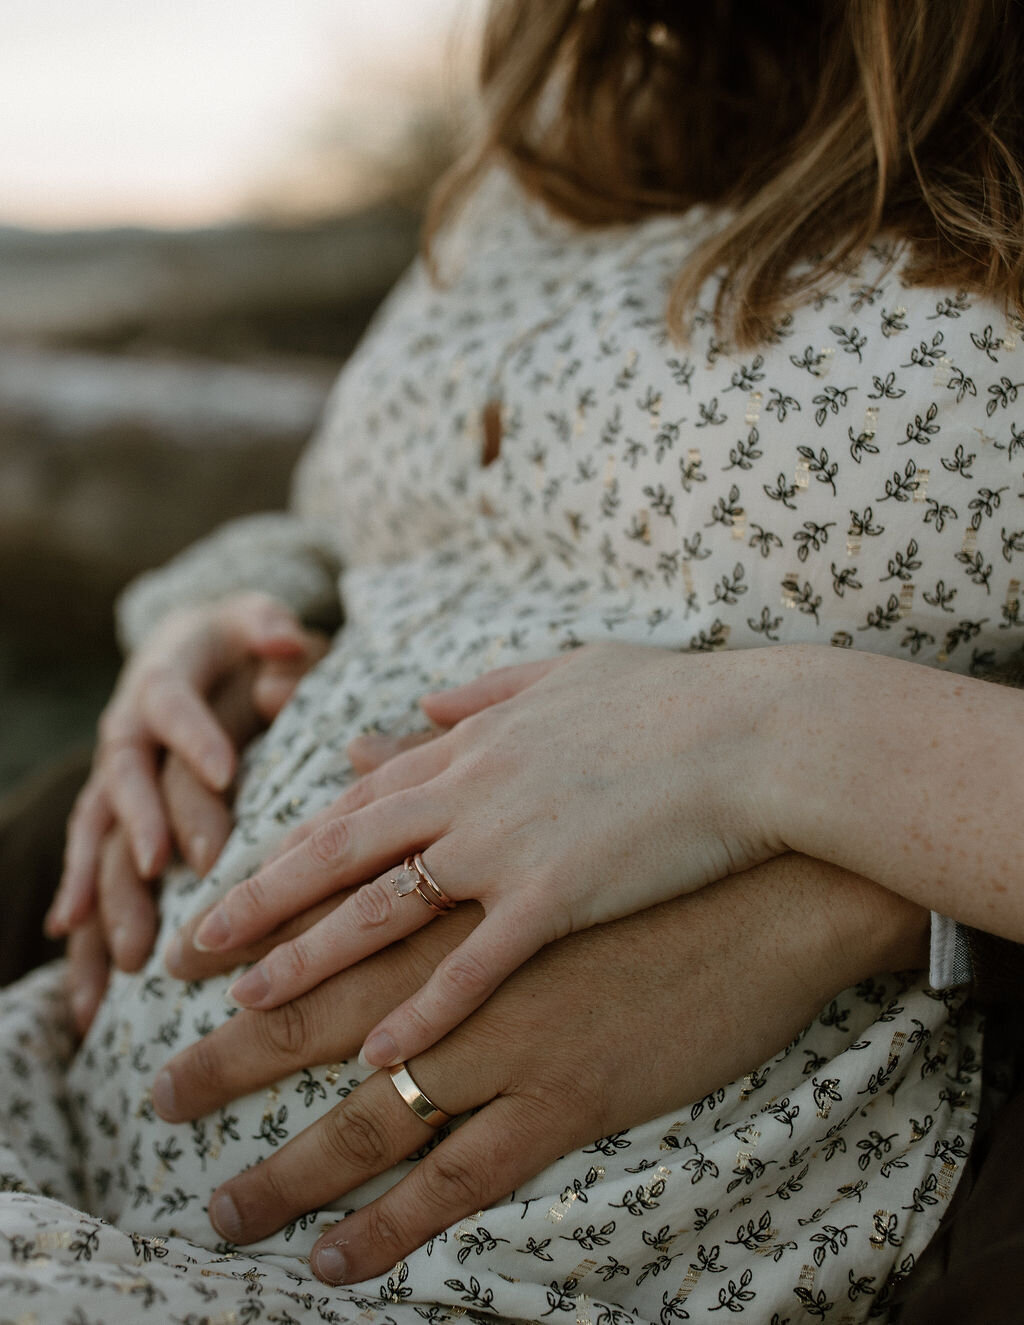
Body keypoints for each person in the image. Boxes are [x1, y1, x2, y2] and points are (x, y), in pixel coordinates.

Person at [3, 1, 1024, 1320]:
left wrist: (776, 750)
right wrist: (213, 614)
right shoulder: (577, 119)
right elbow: (368, 516)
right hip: (61, 1121)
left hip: (521, 1274)